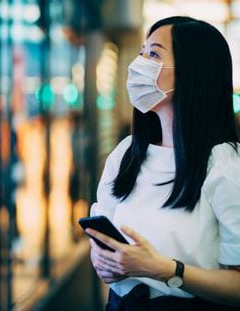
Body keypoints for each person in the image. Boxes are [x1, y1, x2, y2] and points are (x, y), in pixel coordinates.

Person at [87, 16, 240, 310]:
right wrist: (105, 261)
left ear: (193, 72)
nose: (138, 64)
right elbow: (102, 236)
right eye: (142, 52)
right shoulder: (126, 154)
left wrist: (165, 269)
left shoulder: (225, 164)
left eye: (154, 54)